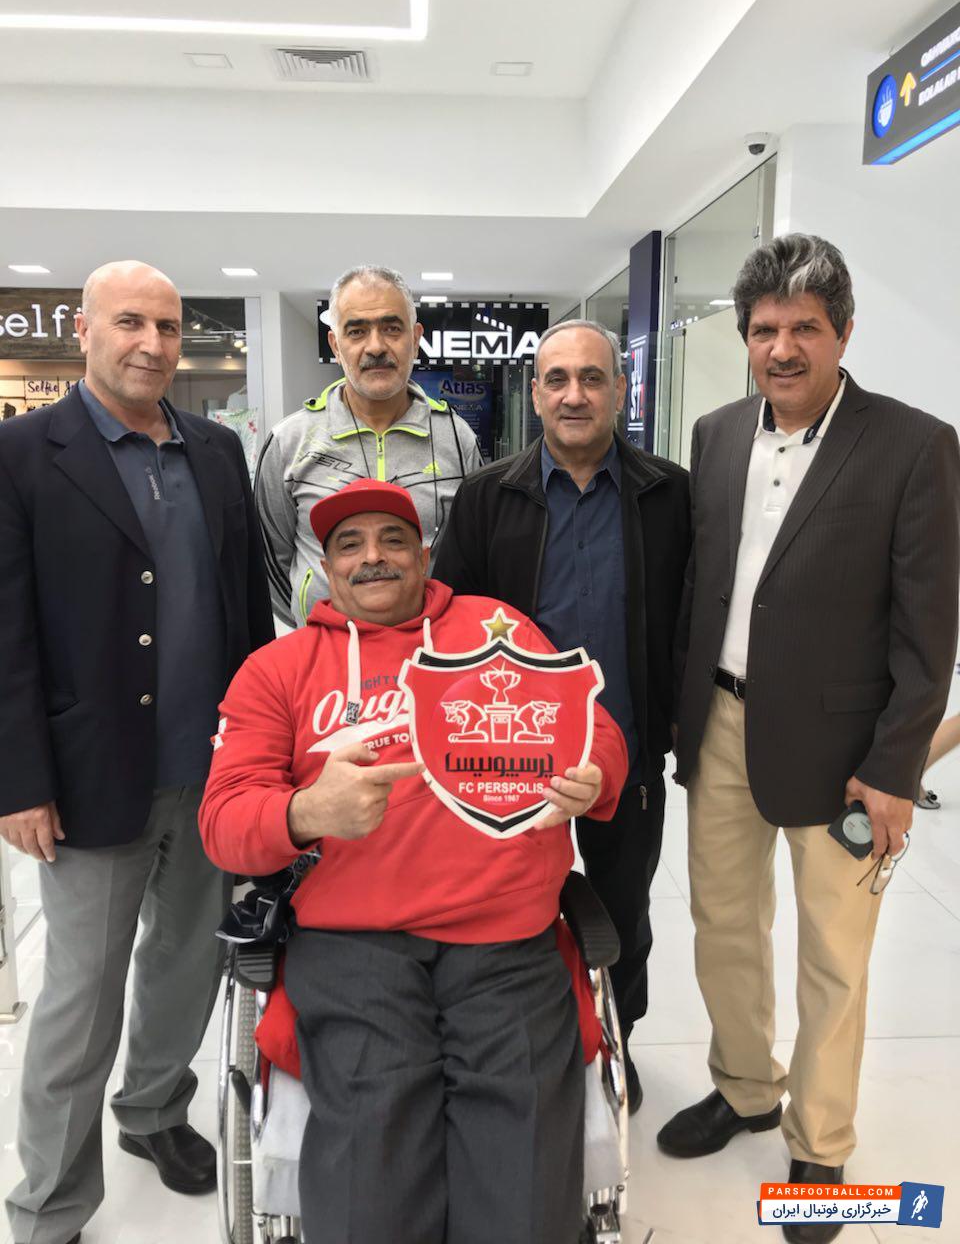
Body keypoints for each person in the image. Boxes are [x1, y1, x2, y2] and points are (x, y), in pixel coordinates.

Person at [199, 477, 628, 1244]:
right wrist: (305, 812)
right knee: (373, 1178)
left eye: (393, 540)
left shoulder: (496, 628)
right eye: (350, 544)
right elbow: (224, 819)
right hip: (353, 945)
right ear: (325, 567)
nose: (373, 557)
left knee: (524, 1182)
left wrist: (592, 775)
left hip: (505, 936)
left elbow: (595, 730)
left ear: (425, 555)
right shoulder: (279, 669)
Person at [660, 234, 960, 1243]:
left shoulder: (914, 444)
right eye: (764, 330)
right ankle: (746, 1086)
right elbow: (702, 586)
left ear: (843, 333)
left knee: (835, 951)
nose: (781, 348)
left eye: (804, 328)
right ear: (745, 336)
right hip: (721, 722)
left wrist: (894, 766)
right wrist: (681, 715)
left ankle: (820, 1140)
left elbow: (928, 631)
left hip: (847, 750)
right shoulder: (714, 432)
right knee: (723, 924)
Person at [0, 261, 275, 1244]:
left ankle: (153, 1109)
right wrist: (19, 779)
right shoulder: (24, 453)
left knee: (188, 963)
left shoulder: (217, 450)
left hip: (212, 771)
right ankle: (49, 1204)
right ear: (83, 330)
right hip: (88, 777)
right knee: (79, 1001)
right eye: (129, 322)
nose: (152, 343)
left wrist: (265, 752)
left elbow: (246, 607)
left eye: (166, 325)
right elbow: (6, 631)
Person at [433, 318, 691, 1112]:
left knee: (624, 914)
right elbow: (448, 625)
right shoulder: (488, 496)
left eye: (591, 378)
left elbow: (692, 614)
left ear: (621, 389)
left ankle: (619, 1039)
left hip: (627, 753)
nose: (574, 394)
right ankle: (528, 1044)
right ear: (537, 393)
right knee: (513, 909)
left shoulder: (669, 493)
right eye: (557, 379)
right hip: (510, 757)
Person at [255, 264, 482, 626]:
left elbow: (472, 554)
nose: (375, 346)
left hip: (427, 647)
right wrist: (312, 619)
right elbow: (271, 564)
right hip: (326, 648)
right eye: (357, 331)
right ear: (335, 344)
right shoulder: (289, 441)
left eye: (392, 328)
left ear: (415, 339)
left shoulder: (456, 438)